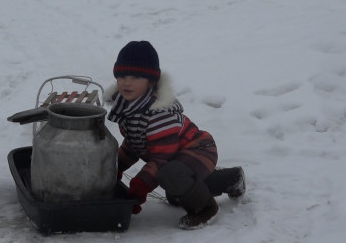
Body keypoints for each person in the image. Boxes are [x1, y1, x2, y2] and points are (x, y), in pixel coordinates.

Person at [105, 41, 245, 229]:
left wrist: (140, 187)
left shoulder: (159, 115)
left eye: (136, 77)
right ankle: (231, 178)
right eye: (122, 76)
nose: (127, 82)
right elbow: (133, 145)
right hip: (176, 156)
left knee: (171, 177)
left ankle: (206, 208)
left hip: (199, 150)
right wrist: (114, 168)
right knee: (176, 192)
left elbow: (161, 160)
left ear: (151, 82)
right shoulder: (129, 108)